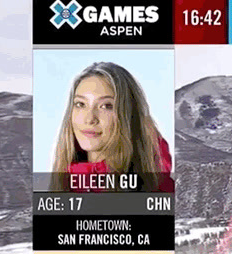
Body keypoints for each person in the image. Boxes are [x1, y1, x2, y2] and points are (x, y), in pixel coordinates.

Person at [49, 61, 173, 192]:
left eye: (106, 106)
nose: (90, 119)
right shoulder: (63, 187)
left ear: (129, 115)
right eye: (80, 104)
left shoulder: (158, 194)